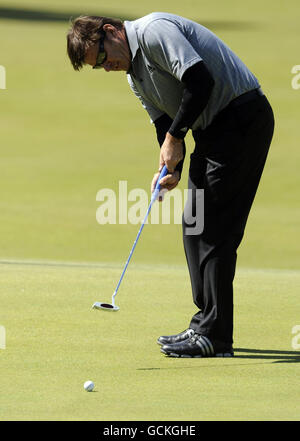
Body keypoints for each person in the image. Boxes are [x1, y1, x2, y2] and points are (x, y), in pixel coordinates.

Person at [66, 12, 274, 358]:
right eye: (97, 67)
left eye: (102, 57)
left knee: (213, 231)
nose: (106, 67)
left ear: (110, 31)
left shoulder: (153, 31)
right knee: (197, 227)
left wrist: (177, 137)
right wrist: (170, 166)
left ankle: (215, 335)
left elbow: (200, 81)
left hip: (241, 118)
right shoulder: (135, 77)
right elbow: (165, 123)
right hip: (215, 131)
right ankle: (205, 326)